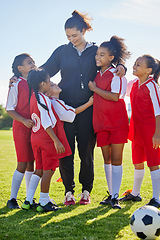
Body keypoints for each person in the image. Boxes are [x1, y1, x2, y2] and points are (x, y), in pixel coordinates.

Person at [40, 10, 126, 205]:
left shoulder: (94, 51)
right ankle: (68, 191)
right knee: (67, 150)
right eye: (68, 36)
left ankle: (86, 191)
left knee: (86, 151)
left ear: (83, 31)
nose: (72, 40)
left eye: (75, 35)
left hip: (89, 108)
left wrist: (122, 66)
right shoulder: (62, 51)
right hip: (65, 107)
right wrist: (24, 74)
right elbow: (45, 70)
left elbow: (108, 62)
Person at [22, 80, 93, 210]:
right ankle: (44, 202)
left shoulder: (35, 97)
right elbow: (73, 112)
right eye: (51, 83)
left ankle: (28, 201)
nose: (55, 84)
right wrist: (90, 103)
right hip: (47, 139)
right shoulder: (53, 102)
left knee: (39, 170)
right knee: (48, 171)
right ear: (45, 87)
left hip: (36, 137)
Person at [88, 36, 130, 209]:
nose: (98, 57)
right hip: (100, 122)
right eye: (97, 54)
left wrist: (95, 89)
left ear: (111, 58)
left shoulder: (117, 74)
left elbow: (115, 97)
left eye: (102, 54)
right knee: (107, 160)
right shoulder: (96, 73)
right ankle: (111, 194)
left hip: (117, 122)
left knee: (116, 159)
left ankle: (115, 197)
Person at [119, 55, 160, 207]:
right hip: (136, 130)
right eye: (135, 63)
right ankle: (135, 194)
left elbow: (158, 111)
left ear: (148, 70)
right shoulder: (135, 84)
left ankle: (156, 198)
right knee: (137, 162)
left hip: (150, 132)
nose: (134, 66)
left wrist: (157, 134)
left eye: (138, 64)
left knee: (153, 163)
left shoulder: (152, 85)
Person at [6, 53, 36, 209]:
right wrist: (24, 120)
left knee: (32, 163)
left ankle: (29, 199)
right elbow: (9, 109)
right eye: (29, 62)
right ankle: (12, 199)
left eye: (33, 61)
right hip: (21, 128)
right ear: (20, 68)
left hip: (34, 129)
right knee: (22, 163)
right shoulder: (16, 83)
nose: (33, 64)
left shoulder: (34, 82)